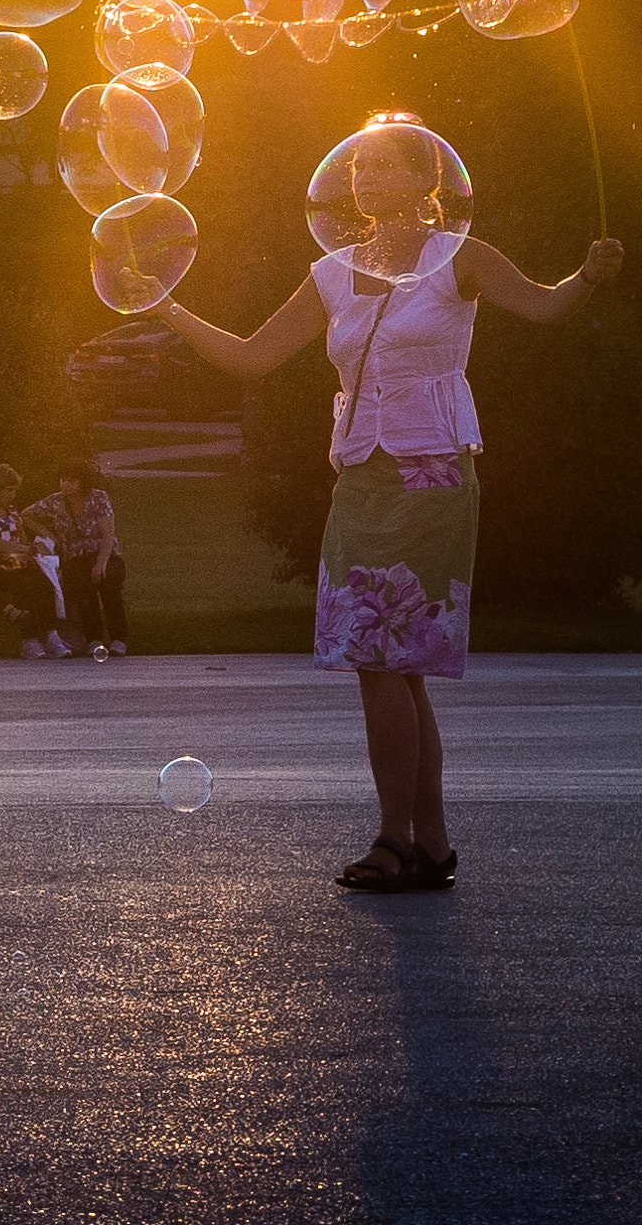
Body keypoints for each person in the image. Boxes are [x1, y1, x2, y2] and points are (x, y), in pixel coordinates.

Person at [154, 111, 623, 893]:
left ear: (424, 181)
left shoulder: (458, 259)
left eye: (384, 166)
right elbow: (251, 358)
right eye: (360, 168)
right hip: (361, 480)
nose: (366, 179)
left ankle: (394, 840)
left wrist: (587, 277)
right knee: (394, 668)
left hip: (431, 472)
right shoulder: (332, 271)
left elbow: (545, 307)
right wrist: (166, 304)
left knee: (384, 660)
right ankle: (429, 845)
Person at [22, 458, 126, 657]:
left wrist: (101, 563)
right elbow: (26, 515)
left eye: (72, 480)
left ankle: (118, 638)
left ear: (82, 481)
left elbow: (108, 534)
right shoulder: (55, 502)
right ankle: (93, 637)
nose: (66, 484)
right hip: (75, 557)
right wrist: (48, 534)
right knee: (81, 582)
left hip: (103, 553)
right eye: (63, 480)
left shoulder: (99, 498)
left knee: (109, 580)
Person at [0, 465, 69, 658]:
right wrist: (25, 550)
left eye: (14, 490)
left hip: (19, 563)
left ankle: (50, 635)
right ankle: (29, 639)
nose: (12, 495)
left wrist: (32, 551)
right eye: (8, 490)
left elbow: (22, 539)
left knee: (44, 583)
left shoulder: (12, 511)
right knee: (23, 586)